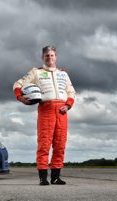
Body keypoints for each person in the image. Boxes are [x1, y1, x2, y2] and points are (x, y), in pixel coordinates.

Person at [13, 45, 76, 185]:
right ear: (43, 57)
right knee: (44, 144)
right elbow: (18, 84)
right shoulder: (36, 72)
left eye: (52, 55)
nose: (50, 57)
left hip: (62, 110)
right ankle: (43, 178)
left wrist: (68, 105)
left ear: (56, 57)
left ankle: (55, 177)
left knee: (60, 145)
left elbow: (71, 92)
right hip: (46, 109)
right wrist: (21, 97)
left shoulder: (63, 74)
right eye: (47, 55)